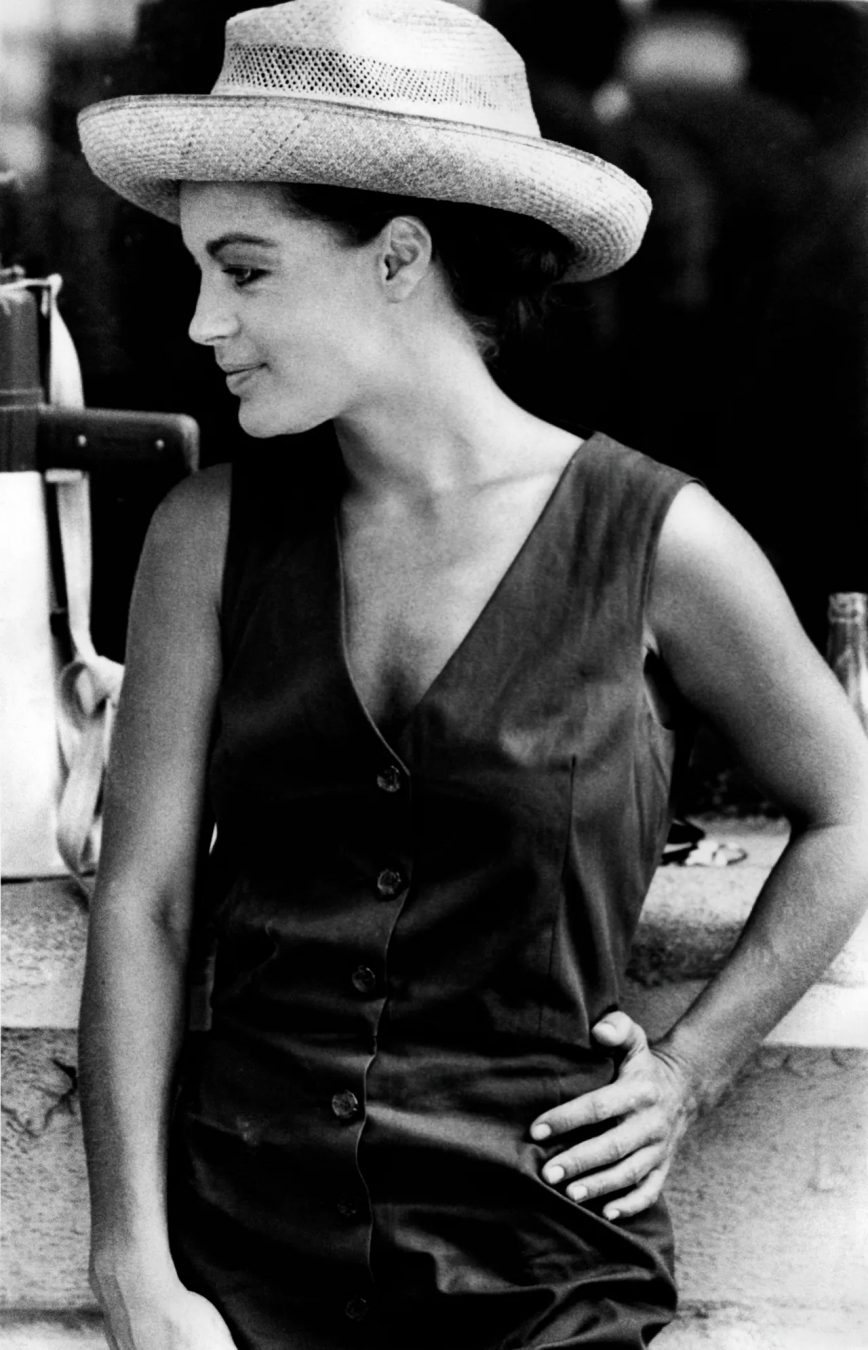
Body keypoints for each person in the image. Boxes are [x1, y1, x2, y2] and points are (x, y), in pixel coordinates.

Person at [75, 2, 868, 1348]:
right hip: (241, 1284)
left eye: (245, 269)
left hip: (543, 1284)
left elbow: (850, 809)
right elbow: (143, 899)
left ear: (399, 256)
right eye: (200, 271)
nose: (204, 320)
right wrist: (133, 1265)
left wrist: (692, 1067)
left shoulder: (656, 540)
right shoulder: (205, 537)